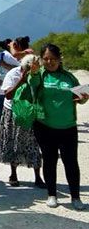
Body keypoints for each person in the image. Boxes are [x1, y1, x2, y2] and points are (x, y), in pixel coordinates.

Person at [31, 44, 88, 210]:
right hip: (44, 126)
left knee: (71, 162)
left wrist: (84, 98)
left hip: (68, 126)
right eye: (46, 59)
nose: (49, 62)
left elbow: (79, 97)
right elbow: (32, 85)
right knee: (49, 160)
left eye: (53, 59)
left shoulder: (69, 77)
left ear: (59, 59)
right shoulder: (39, 75)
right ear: (41, 59)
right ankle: (52, 195)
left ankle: (75, 197)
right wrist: (33, 72)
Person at [0, 54, 45, 188]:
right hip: (13, 112)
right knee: (13, 142)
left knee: (33, 144)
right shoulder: (13, 74)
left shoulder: (38, 75)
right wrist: (21, 80)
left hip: (31, 112)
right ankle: (13, 174)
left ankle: (38, 176)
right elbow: (8, 95)